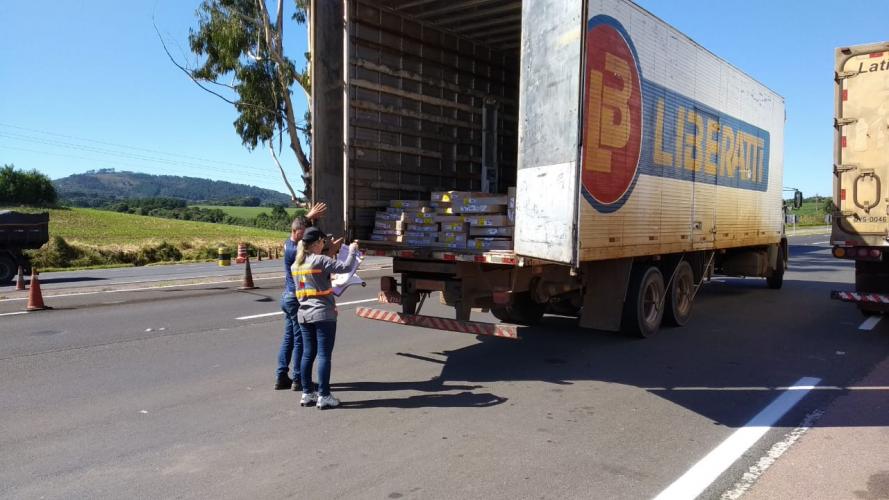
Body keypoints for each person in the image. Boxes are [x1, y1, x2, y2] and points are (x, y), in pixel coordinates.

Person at [293, 227, 359, 409]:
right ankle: (324, 395)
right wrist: (353, 251)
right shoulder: (320, 260)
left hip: (304, 314)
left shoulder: (296, 264)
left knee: (308, 354)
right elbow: (346, 267)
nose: (324, 245)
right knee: (324, 355)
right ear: (315, 243)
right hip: (323, 313)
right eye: (323, 242)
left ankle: (307, 393)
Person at [275, 202, 327, 391]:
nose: (305, 237)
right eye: (303, 233)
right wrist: (308, 216)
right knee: (300, 340)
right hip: (294, 299)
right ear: (296, 233)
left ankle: (281, 376)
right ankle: (298, 379)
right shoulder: (293, 249)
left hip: (287, 297)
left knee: (289, 337)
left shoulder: (288, 243)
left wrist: (310, 220)